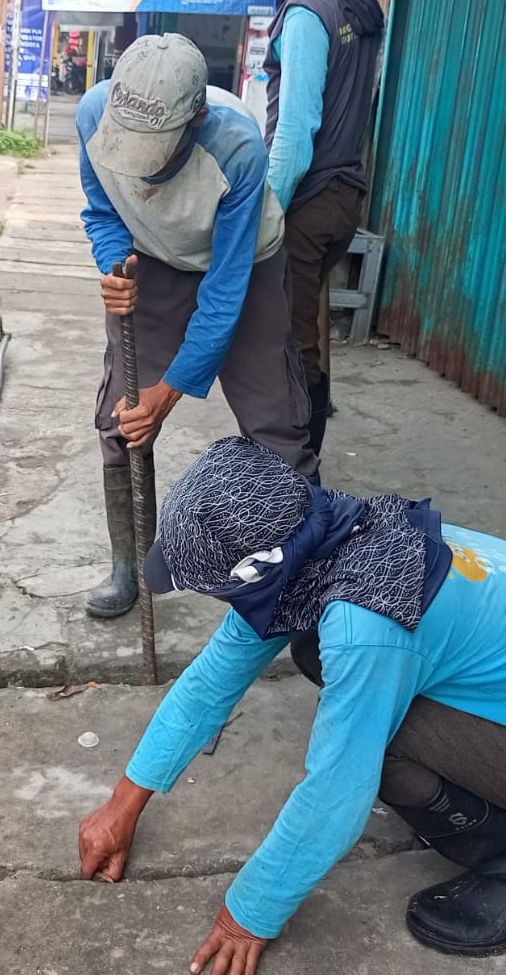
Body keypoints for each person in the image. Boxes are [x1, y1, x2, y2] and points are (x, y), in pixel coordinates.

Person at [78, 436, 506, 969]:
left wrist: (246, 914)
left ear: (257, 567)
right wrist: (124, 802)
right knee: (320, 654)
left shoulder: (367, 619)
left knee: (368, 749)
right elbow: (213, 678)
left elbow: (338, 787)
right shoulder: (332, 531)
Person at [78, 34, 317, 619]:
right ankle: (129, 567)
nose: (139, 164)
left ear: (198, 117)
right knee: (123, 418)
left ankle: (301, 579)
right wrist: (115, 261)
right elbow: (101, 208)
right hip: (152, 259)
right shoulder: (92, 115)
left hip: (246, 266)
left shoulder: (237, 151)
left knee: (276, 425)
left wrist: (173, 388)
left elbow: (223, 294)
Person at [231, 0, 387, 454]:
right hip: (345, 195)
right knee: (309, 332)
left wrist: (262, 219)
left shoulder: (306, 10)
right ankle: (304, 464)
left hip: (308, 196)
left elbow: (295, 132)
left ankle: (296, 477)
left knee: (285, 344)